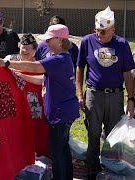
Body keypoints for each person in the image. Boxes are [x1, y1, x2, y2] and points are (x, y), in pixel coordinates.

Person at [0, 24, 80, 180]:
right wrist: (18, 74)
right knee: (63, 151)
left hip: (60, 113)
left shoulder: (58, 60)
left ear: (59, 40)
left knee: (57, 153)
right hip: (65, 112)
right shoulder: (65, 58)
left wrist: (6, 64)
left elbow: (34, 67)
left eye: (49, 40)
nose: (46, 44)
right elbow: (42, 80)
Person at [76, 6, 135, 179]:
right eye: (97, 30)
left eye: (103, 32)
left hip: (116, 96)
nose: (99, 34)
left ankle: (110, 171)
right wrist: (80, 94)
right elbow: (79, 67)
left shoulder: (122, 44)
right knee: (93, 135)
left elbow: (128, 74)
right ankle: (93, 172)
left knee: (113, 138)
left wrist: (131, 99)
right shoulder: (87, 41)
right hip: (94, 95)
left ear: (113, 30)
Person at [5, 33, 49, 157]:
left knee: (37, 131)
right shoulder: (11, 63)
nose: (25, 50)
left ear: (35, 50)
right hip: (17, 105)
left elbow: (44, 79)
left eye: (29, 48)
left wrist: (21, 76)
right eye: (23, 47)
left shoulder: (40, 65)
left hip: (36, 106)